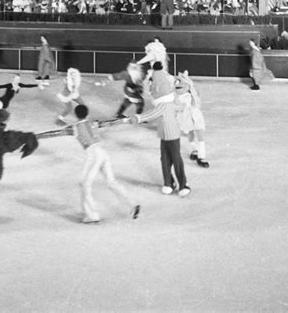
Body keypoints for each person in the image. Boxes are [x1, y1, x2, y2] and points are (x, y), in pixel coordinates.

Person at [37, 104, 140, 224]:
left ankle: (92, 215)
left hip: (94, 155)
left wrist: (36, 136)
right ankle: (133, 204)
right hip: (103, 153)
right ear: (87, 113)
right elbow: (110, 123)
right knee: (111, 182)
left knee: (85, 184)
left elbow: (54, 133)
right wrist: (125, 120)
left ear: (76, 115)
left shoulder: (74, 128)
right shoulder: (93, 123)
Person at [125, 62, 191, 198]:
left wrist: (137, 118)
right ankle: (168, 183)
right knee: (165, 160)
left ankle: (182, 185)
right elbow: (177, 107)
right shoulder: (168, 103)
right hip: (164, 135)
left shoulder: (164, 105)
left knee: (175, 159)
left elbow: (151, 114)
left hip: (172, 136)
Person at [175, 70, 209, 167]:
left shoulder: (193, 95)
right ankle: (194, 150)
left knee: (200, 135)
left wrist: (188, 82)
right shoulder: (177, 96)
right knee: (190, 133)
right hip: (185, 117)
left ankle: (202, 156)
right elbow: (176, 106)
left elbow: (196, 98)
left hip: (196, 116)